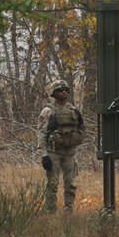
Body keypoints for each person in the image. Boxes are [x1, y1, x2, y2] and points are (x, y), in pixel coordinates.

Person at [38, 80, 86, 213]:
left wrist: (76, 140)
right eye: (60, 90)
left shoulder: (74, 110)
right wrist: (44, 155)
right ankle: (50, 211)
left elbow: (81, 128)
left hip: (70, 152)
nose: (64, 92)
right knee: (52, 183)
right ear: (54, 93)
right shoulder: (48, 111)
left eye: (66, 90)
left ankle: (68, 209)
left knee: (71, 183)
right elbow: (42, 133)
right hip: (53, 152)